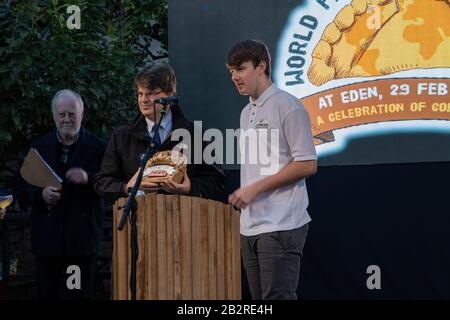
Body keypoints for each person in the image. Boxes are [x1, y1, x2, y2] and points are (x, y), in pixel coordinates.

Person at [226, 40, 317, 300]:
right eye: (231, 71)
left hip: (282, 224)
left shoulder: (288, 106)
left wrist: (255, 188)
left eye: (240, 69)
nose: (234, 77)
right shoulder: (246, 112)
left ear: (261, 66)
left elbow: (307, 163)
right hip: (250, 226)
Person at [14, 89, 106, 300]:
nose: (67, 119)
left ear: (81, 114)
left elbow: (111, 183)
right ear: (54, 116)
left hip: (80, 243)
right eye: (62, 114)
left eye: (71, 114)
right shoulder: (39, 147)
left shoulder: (99, 147)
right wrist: (40, 195)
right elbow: (20, 185)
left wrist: (88, 179)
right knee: (48, 295)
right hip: (48, 242)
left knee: (76, 296)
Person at [94, 63, 226, 203]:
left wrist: (189, 189)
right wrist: (126, 187)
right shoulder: (122, 136)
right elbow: (102, 182)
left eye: (151, 93)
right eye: (140, 94)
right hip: (137, 221)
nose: (143, 100)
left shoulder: (195, 136)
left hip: (184, 220)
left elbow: (217, 183)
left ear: (171, 94)